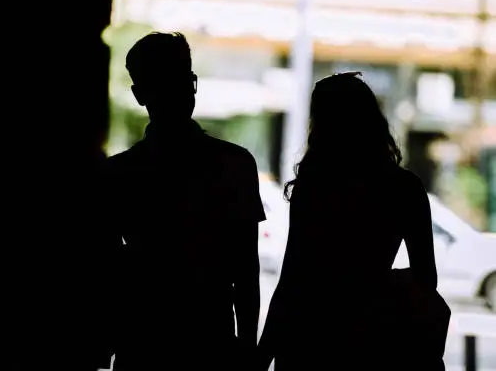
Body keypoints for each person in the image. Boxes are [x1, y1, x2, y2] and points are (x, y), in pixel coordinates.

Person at [257, 72, 444, 370]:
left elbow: (293, 278)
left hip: (309, 339)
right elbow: (427, 279)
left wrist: (263, 354)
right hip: (372, 342)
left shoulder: (314, 187)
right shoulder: (405, 188)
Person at [103, 32, 266, 371]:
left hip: (144, 347)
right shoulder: (235, 164)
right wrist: (248, 352)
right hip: (211, 345)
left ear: (139, 94)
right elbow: (245, 272)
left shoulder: (119, 174)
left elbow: (106, 272)